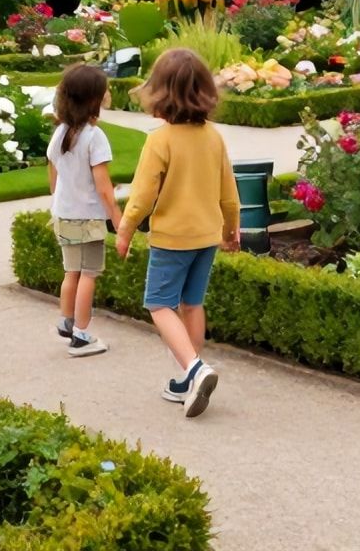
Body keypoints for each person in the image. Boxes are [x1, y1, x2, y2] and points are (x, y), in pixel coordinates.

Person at [115, 48, 240, 418]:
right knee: (192, 304)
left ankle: (194, 368)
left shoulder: (161, 140)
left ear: (159, 93)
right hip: (206, 237)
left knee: (159, 303)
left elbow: (141, 196)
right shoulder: (213, 137)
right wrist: (232, 230)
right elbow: (228, 192)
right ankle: (188, 379)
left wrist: (125, 230)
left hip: (172, 238)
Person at [48, 64, 123, 358]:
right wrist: (118, 220)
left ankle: (67, 322)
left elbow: (53, 174)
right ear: (94, 99)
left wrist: (62, 192)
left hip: (64, 212)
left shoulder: (61, 132)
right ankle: (81, 334)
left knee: (72, 272)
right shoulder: (94, 136)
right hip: (89, 217)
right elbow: (103, 188)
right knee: (89, 274)